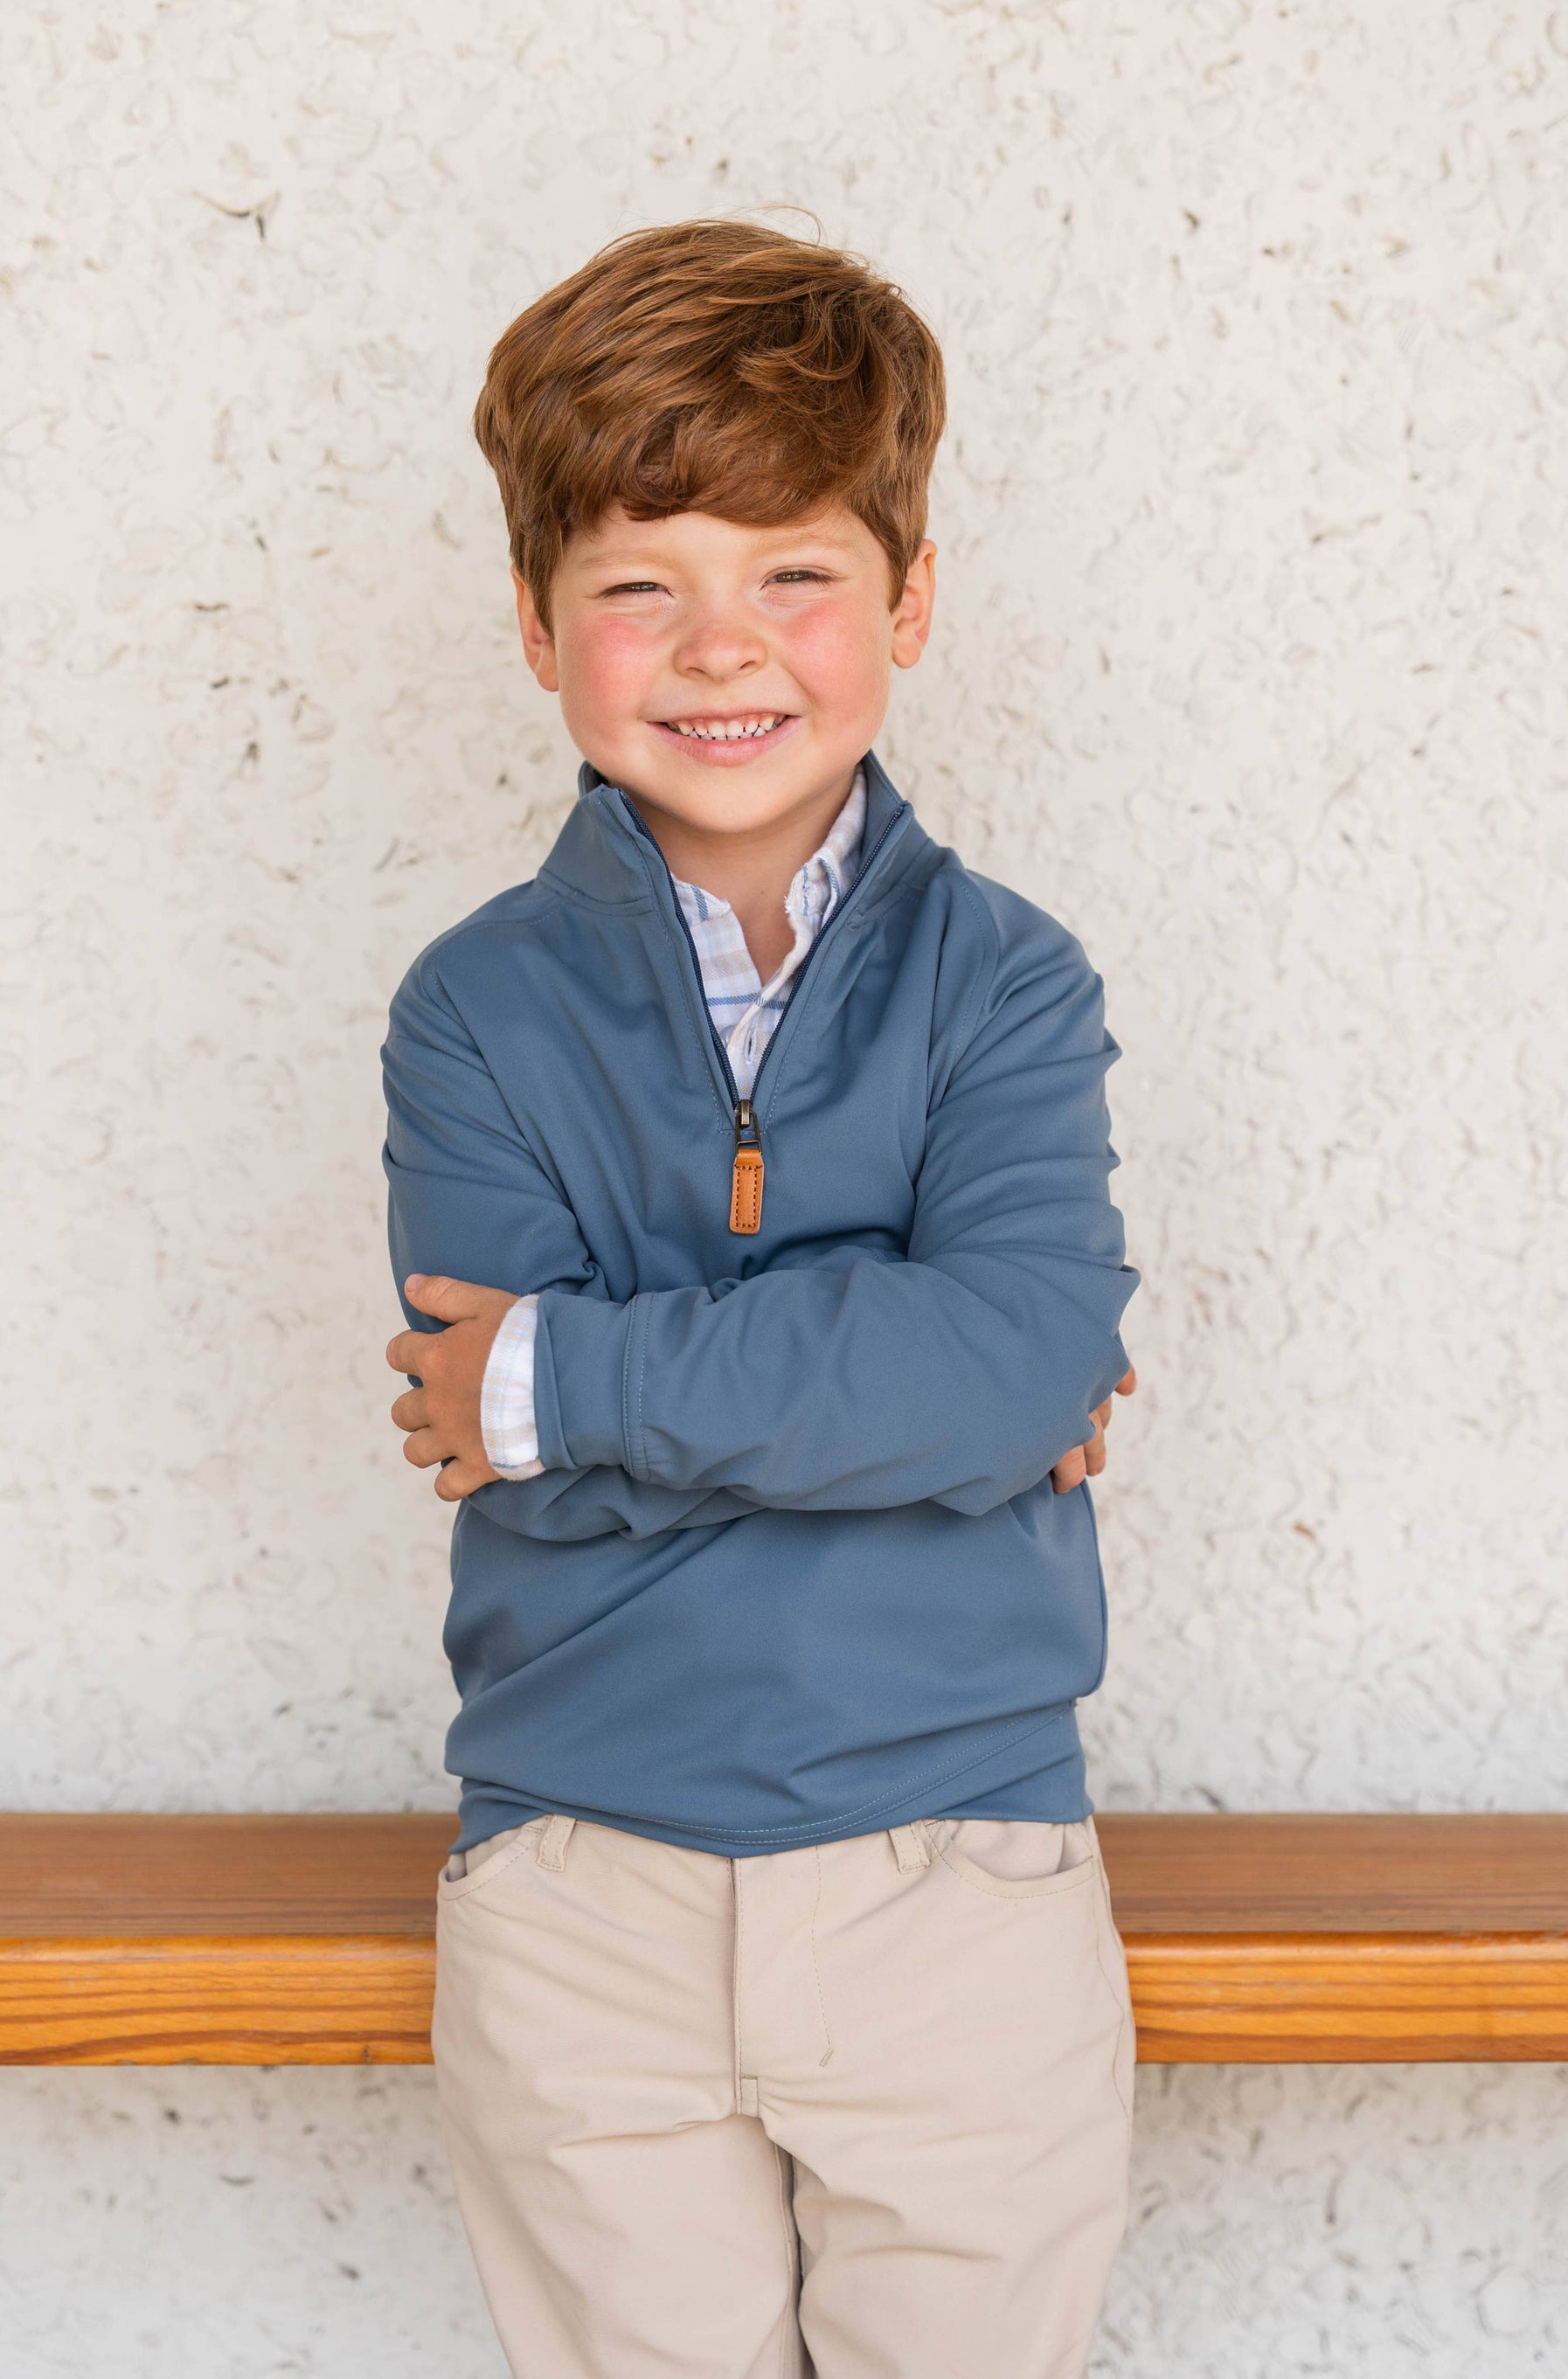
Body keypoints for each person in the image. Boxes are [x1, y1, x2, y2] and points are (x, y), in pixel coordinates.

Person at [380, 218, 1140, 2379]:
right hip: (577, 1887)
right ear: (537, 625)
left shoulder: (1008, 983)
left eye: (792, 569)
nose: (721, 644)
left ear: (908, 601)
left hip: (960, 1879)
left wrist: (567, 1376)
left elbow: (1008, 1367)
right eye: (641, 583)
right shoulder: (471, 1008)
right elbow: (499, 1439)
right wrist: (903, 1396)